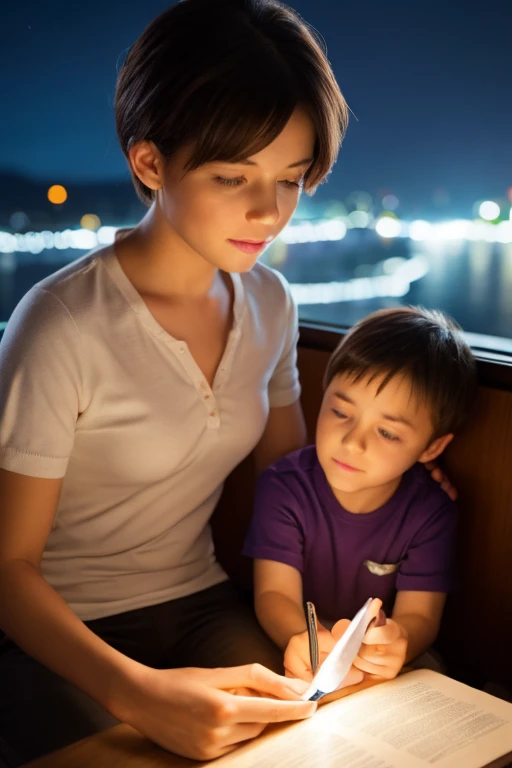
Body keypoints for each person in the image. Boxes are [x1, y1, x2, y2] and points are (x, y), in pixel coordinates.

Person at [0, 1, 455, 764]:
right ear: (151, 164)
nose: (268, 211)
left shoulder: (272, 304)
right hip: (66, 630)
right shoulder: (61, 324)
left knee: (322, 734)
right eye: (232, 176)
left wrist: (395, 484)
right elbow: (8, 571)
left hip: (207, 601)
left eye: (290, 178)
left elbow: (292, 480)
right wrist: (138, 693)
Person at [243, 307, 477, 688]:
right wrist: (311, 641)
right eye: (340, 411)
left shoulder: (430, 511)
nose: (353, 442)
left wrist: (399, 641)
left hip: (378, 661)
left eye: (387, 433)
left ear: (432, 447)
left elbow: (420, 618)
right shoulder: (285, 486)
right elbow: (274, 594)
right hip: (299, 643)